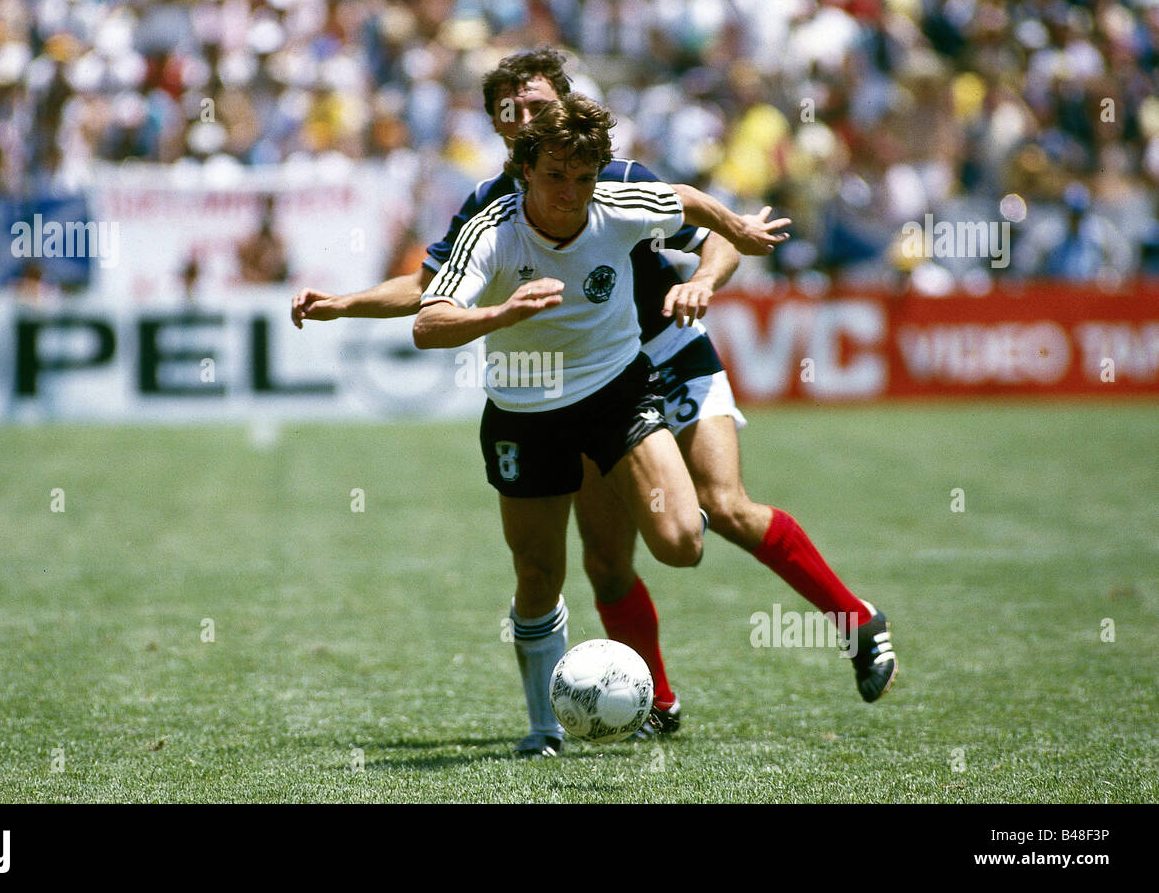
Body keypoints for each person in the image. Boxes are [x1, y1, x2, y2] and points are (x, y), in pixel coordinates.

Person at [296, 48, 897, 755]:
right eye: (510, 108)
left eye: (538, 102)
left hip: (661, 351)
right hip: (571, 381)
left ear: (566, 104)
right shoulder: (494, 206)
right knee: (606, 562)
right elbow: (431, 294)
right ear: (502, 130)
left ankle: (856, 620)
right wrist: (348, 302)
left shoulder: (610, 179)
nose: (525, 114)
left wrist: (702, 280)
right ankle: (656, 700)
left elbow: (716, 236)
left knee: (720, 505)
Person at [413, 93, 762, 756]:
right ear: (524, 171)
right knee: (539, 571)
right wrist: (501, 314)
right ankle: (544, 727)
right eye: (554, 177)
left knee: (683, 541)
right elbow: (428, 322)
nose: (570, 194)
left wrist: (735, 231)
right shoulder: (493, 231)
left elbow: (689, 201)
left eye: (582, 178)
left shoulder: (618, 204)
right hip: (525, 414)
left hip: (616, 395)